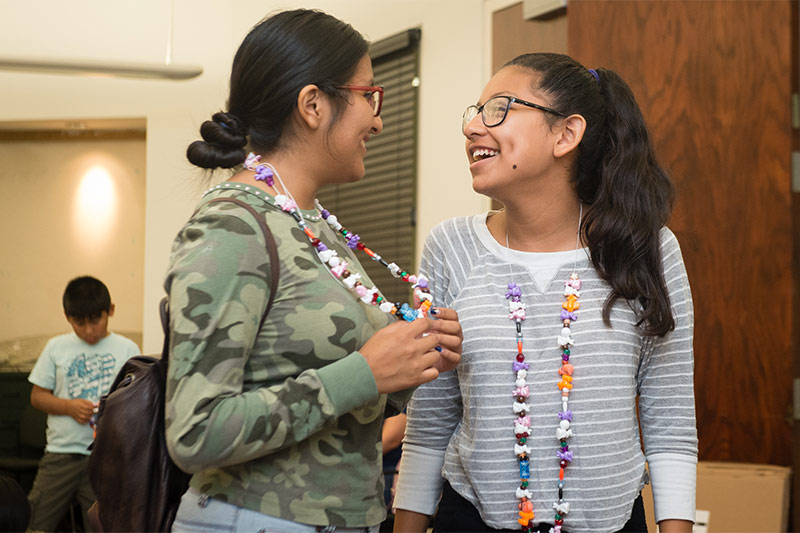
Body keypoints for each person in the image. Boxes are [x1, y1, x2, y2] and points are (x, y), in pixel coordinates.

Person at [164, 8, 462, 533]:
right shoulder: (233, 226)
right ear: (312, 104)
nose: (378, 118)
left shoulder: (310, 223)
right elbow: (195, 431)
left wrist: (412, 361)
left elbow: (333, 373)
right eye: (369, 95)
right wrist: (365, 373)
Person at [393, 53, 696, 533]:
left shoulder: (646, 248)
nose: (474, 127)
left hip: (613, 522)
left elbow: (670, 419)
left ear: (566, 134)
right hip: (469, 517)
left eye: (498, 109)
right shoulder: (450, 246)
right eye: (474, 112)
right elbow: (431, 418)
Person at [27, 275, 140, 531]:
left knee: (105, 524)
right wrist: (68, 407)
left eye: (95, 321)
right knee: (34, 521)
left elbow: (137, 402)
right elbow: (37, 396)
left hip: (106, 457)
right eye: (79, 322)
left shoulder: (127, 348)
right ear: (67, 317)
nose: (89, 330)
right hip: (61, 454)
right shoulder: (56, 347)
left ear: (110, 311)